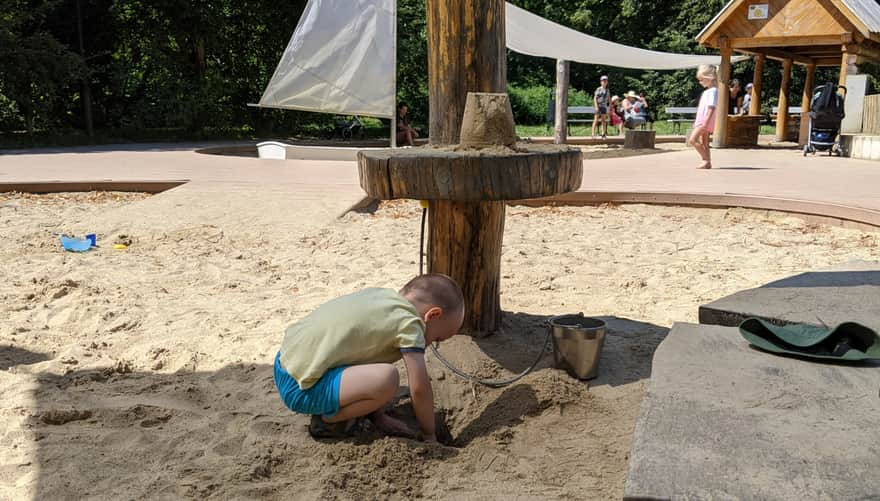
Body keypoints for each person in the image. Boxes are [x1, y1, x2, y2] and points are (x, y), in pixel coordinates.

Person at [274, 273, 464, 442]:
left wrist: (378, 415)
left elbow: (365, 354)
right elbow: (420, 388)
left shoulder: (382, 298)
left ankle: (361, 412)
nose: (432, 344)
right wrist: (429, 434)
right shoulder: (410, 324)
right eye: (438, 338)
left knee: (380, 374)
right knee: (389, 379)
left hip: (284, 363)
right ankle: (328, 421)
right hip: (300, 390)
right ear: (433, 315)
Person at [690, 64, 718, 170]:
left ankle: (705, 159)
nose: (700, 82)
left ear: (709, 78)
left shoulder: (712, 91)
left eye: (701, 79)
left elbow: (712, 107)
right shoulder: (708, 91)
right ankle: (708, 163)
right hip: (703, 120)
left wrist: (705, 122)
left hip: (705, 121)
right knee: (705, 142)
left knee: (693, 140)